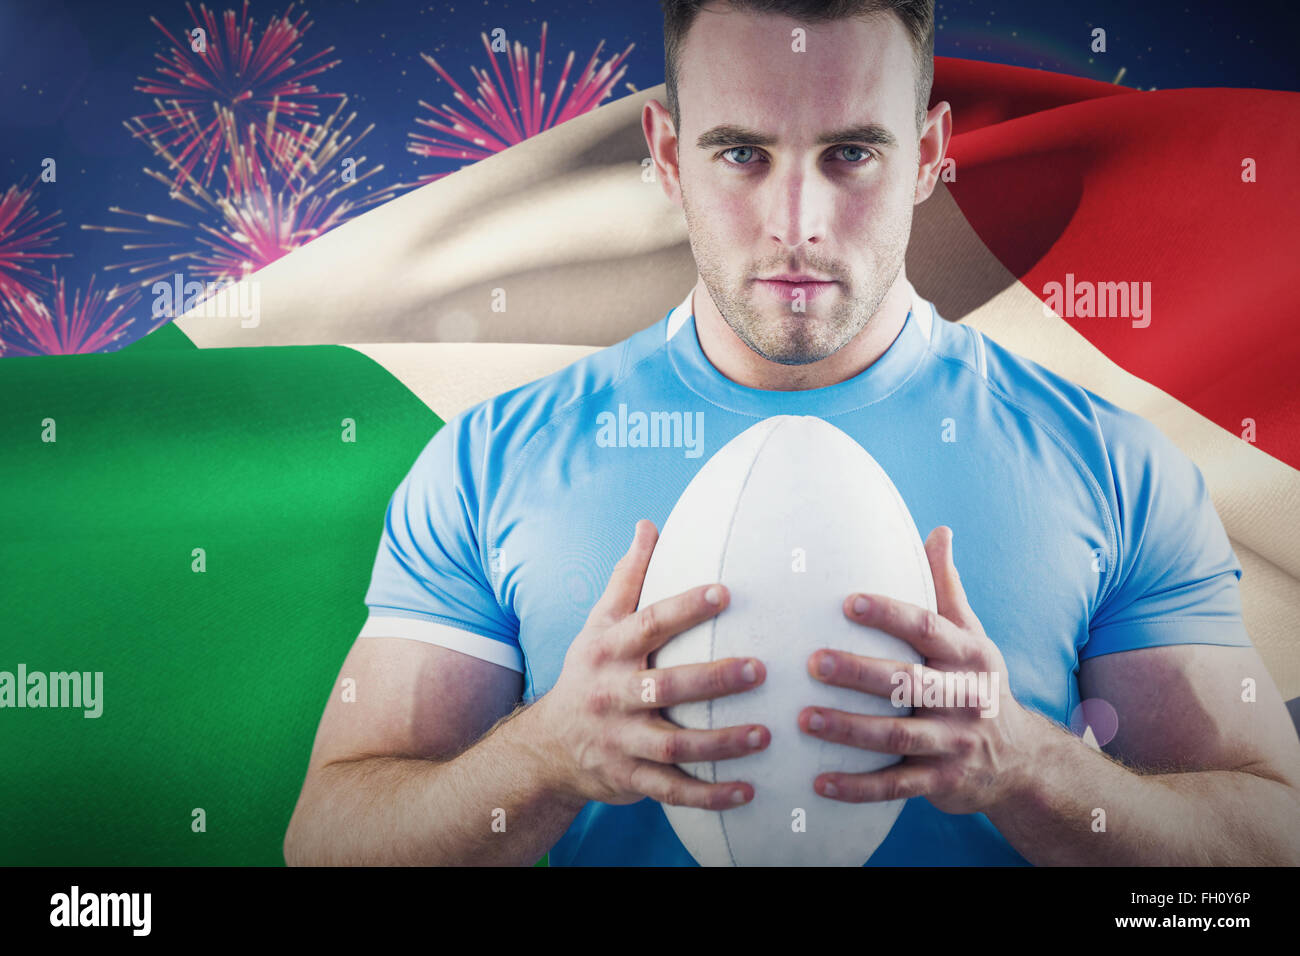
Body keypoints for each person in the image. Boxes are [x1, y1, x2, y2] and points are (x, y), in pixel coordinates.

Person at [283, 0, 1300, 866]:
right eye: (742, 153)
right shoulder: (488, 461)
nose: (797, 220)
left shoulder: (1111, 464)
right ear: (670, 159)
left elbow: (1269, 837)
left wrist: (1028, 763)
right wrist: (542, 754)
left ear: (929, 157)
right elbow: (322, 835)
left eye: (850, 152)